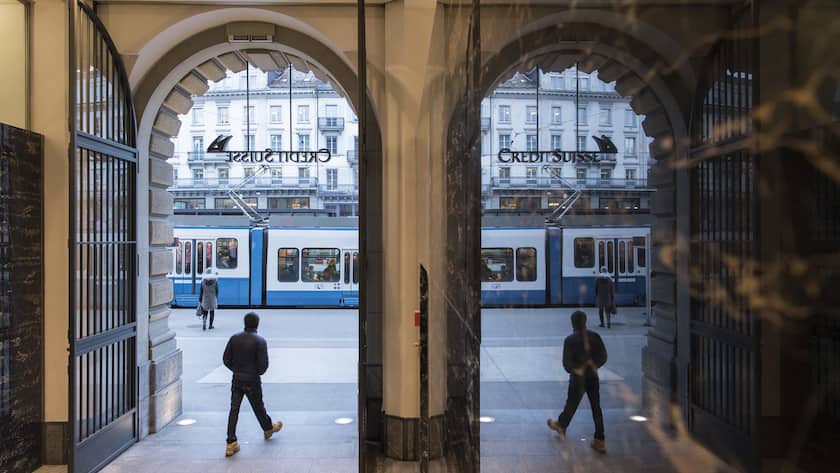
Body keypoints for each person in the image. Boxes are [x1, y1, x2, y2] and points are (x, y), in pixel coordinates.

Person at [547, 310, 608, 453]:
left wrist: (577, 369)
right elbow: (603, 356)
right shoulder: (595, 336)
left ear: (573, 323)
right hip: (593, 376)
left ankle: (561, 425)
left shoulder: (569, 340)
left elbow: (566, 363)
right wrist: (592, 366)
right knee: (596, 407)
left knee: (571, 404)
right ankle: (600, 439)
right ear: (585, 321)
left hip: (577, 379)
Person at [223, 312, 283, 457]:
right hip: (252, 380)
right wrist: (253, 372)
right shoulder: (260, 341)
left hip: (237, 379)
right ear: (257, 324)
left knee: (234, 409)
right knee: (258, 406)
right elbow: (263, 367)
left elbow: (226, 359)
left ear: (245, 323)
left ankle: (231, 443)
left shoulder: (234, 338)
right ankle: (268, 428)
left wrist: (237, 370)